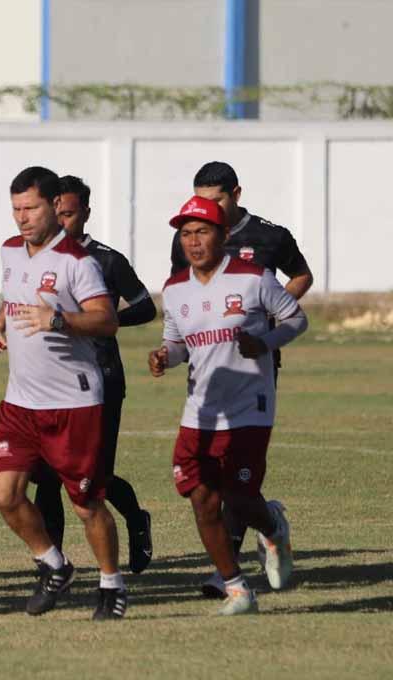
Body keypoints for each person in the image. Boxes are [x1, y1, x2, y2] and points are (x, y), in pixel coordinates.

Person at [0, 166, 127, 620]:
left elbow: (107, 320)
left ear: (53, 206)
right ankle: (54, 563)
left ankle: (111, 585)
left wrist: (58, 319)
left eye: (31, 208)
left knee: (86, 506)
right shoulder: (9, 250)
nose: (22, 218)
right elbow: (13, 300)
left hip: (73, 403)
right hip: (20, 401)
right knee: (4, 492)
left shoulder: (76, 262)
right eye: (16, 209)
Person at [150, 195, 306, 614]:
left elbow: (296, 319)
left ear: (222, 235)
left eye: (201, 232)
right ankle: (237, 589)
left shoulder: (254, 278)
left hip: (250, 405)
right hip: (200, 409)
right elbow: (177, 343)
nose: (193, 241)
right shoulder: (175, 288)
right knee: (202, 499)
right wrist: (165, 356)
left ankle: (272, 525)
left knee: (238, 497)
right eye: (186, 234)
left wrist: (264, 343)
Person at [29, 176, 155, 573]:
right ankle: (54, 565)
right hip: (49, 380)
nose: (61, 222)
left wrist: (103, 321)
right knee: (46, 474)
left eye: (69, 214)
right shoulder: (36, 258)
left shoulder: (107, 260)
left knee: (94, 476)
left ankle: (135, 518)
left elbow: (146, 306)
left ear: (86, 212)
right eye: (56, 214)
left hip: (101, 378)